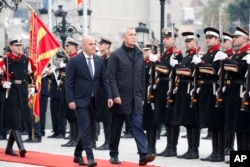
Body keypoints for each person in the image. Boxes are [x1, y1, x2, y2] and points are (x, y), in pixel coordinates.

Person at [107, 27, 155, 166]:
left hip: (136, 98)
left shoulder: (139, 54)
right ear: (124, 37)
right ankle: (114, 154)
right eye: (130, 35)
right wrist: (115, 95)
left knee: (137, 125)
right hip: (120, 98)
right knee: (116, 128)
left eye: (135, 35)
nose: (134, 37)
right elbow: (110, 77)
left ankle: (143, 154)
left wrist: (142, 96)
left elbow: (142, 76)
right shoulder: (116, 55)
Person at [65, 35, 113, 167]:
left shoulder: (99, 61)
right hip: (80, 100)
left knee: (90, 128)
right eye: (91, 44)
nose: (94, 46)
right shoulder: (74, 61)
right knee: (85, 128)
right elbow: (68, 83)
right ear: (84, 46)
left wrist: (109, 96)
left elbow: (104, 80)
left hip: (94, 100)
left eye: (95, 44)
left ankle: (77, 154)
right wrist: (71, 100)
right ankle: (90, 157)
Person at [191, 27, 225, 162]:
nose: (208, 40)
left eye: (211, 37)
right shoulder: (207, 55)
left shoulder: (218, 54)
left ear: (217, 40)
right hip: (205, 89)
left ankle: (220, 151)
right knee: (211, 122)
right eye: (207, 37)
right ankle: (214, 151)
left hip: (213, 88)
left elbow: (215, 70)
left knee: (217, 122)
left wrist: (201, 64)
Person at [0, 36, 35, 157]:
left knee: (19, 119)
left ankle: (9, 147)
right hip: (11, 90)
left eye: (20, 45)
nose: (19, 47)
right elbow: (0, 76)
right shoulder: (5, 61)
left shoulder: (26, 60)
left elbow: (31, 75)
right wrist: (3, 83)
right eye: (16, 45)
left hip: (23, 90)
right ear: (11, 47)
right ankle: (21, 147)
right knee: (14, 119)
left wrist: (32, 86)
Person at [222, 27, 250, 164]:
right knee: (237, 125)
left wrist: (226, 60)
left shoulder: (247, 53)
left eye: (236, 37)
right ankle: (239, 157)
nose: (234, 39)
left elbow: (239, 69)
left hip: (242, 90)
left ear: (245, 38)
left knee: (244, 125)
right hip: (233, 90)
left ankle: (244, 157)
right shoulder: (237, 54)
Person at [171, 31, 200, 159]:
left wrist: (177, 66)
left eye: (189, 41)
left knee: (193, 121)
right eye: (186, 41)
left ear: (195, 42)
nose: (186, 44)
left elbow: (191, 72)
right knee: (187, 122)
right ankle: (190, 148)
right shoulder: (187, 57)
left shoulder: (197, 56)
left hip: (190, 89)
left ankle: (195, 149)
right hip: (183, 89)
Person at [155, 26, 183, 157]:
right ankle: (168, 146)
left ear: (174, 39)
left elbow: (170, 71)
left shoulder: (176, 53)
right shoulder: (165, 54)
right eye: (164, 38)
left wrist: (157, 65)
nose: (165, 40)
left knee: (172, 118)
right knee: (166, 118)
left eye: (168, 38)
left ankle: (173, 147)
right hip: (162, 86)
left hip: (171, 87)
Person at [60, 37, 79, 147]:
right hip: (65, 88)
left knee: (74, 116)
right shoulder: (68, 58)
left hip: (74, 90)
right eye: (66, 46)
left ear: (74, 47)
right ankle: (72, 137)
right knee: (69, 115)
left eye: (68, 46)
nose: (66, 47)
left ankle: (76, 138)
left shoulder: (75, 58)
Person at [142, 40, 160, 154]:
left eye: (147, 50)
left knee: (152, 121)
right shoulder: (144, 63)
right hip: (144, 92)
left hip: (153, 92)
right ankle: (147, 144)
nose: (145, 52)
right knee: (146, 120)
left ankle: (152, 146)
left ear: (153, 51)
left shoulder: (156, 62)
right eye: (144, 50)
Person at [95, 36, 112, 150]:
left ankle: (109, 142)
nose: (99, 46)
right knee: (104, 118)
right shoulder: (102, 58)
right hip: (101, 92)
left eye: (101, 44)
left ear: (107, 45)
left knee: (108, 119)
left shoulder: (111, 58)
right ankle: (106, 140)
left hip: (108, 92)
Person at [221, 31, 235, 156]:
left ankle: (230, 145)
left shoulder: (232, 56)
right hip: (225, 89)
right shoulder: (223, 55)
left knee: (230, 118)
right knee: (225, 118)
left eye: (226, 41)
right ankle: (225, 144)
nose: (223, 43)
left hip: (232, 88)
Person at [0, 46, 11, 140]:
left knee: (3, 114)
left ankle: (3, 133)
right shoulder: (2, 63)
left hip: (6, 92)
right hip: (2, 88)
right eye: (4, 52)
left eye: (7, 52)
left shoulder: (10, 63)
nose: (5, 54)